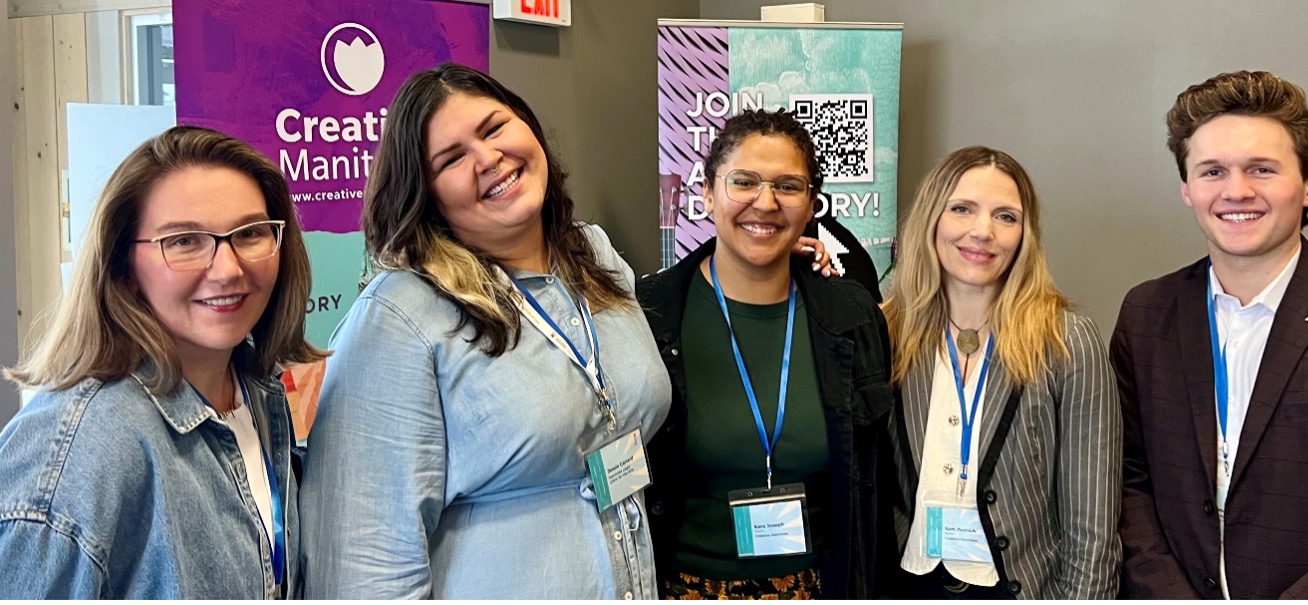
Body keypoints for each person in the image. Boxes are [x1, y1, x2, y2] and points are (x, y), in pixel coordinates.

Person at [297, 64, 830, 598]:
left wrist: (778, 259)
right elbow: (362, 570)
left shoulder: (594, 257)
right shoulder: (399, 318)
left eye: (493, 128)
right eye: (452, 158)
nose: (487, 159)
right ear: (425, 191)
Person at [1115, 70, 1308, 599]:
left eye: (1262, 168)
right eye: (1212, 171)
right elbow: (1127, 480)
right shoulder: (1147, 315)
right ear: (1187, 189)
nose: (1236, 191)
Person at [0, 126, 323, 598]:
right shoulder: (84, 448)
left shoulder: (259, 390)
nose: (229, 269)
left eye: (250, 233)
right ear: (123, 268)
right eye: (185, 241)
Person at [638, 109, 898, 599]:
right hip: (684, 587)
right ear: (708, 194)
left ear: (811, 205)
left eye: (788, 185)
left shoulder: (852, 317)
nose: (765, 202)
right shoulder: (649, 316)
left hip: (819, 586)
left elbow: (874, 485)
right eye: (744, 181)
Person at [883, 146, 1121, 599]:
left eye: (1006, 217)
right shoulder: (886, 331)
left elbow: (1094, 523)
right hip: (906, 583)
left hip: (1017, 588)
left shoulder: (1066, 340)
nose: (983, 231)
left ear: (1025, 234)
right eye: (962, 209)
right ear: (931, 219)